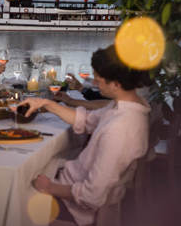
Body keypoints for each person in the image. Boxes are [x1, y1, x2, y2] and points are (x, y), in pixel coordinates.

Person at [19, 45, 153, 225]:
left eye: (99, 79)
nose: (95, 83)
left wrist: (49, 187)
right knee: (34, 166)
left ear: (116, 84)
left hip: (75, 209)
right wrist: (45, 103)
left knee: (13, 191)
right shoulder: (127, 107)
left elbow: (92, 196)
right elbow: (86, 119)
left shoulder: (120, 129)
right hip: (71, 178)